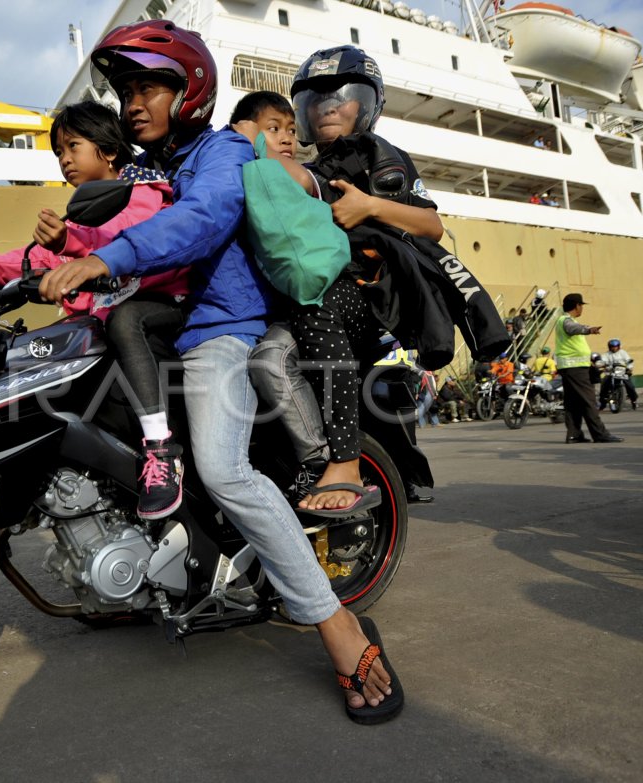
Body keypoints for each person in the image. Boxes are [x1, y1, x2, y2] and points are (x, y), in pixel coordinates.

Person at [40, 20, 402, 723]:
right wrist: (42, 259)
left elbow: (202, 223)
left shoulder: (222, 151)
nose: (132, 103)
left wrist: (106, 261)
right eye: (126, 90)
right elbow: (119, 227)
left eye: (148, 87)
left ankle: (336, 623)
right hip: (165, 326)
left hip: (220, 330)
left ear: (191, 89)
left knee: (225, 468)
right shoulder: (158, 165)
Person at [0, 101, 188, 519]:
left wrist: (69, 243)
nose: (65, 159)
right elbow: (34, 259)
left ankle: (160, 450)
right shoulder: (82, 219)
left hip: (163, 313)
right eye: (59, 152)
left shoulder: (142, 190)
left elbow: (122, 235)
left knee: (125, 322)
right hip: (118, 329)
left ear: (108, 151)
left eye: (73, 146)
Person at [283, 44, 445, 515]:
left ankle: (368, 469)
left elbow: (432, 226)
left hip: (374, 298)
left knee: (384, 400)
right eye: (315, 100)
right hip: (323, 286)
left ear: (368, 104)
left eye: (341, 97)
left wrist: (370, 206)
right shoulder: (306, 172)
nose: (327, 107)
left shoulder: (386, 159)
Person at [227, 90, 332, 499]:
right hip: (277, 306)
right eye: (274, 130)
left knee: (271, 361)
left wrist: (257, 147)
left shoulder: (296, 175)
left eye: (290, 130)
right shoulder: (248, 174)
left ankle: (316, 457)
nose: (288, 138)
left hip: (314, 302)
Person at [552, 293, 621, 443]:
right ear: (577, 306)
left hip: (570, 367)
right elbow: (573, 328)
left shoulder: (563, 320)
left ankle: (574, 435)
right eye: (581, 305)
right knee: (589, 401)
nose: (582, 308)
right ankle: (600, 434)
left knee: (573, 402)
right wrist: (589, 329)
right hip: (575, 368)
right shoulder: (566, 321)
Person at [598, 338, 638, 410]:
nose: (614, 348)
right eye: (612, 347)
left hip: (622, 373)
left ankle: (634, 401)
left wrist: (629, 368)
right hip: (610, 373)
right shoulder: (606, 354)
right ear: (609, 347)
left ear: (618, 346)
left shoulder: (623, 353)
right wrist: (602, 365)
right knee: (603, 386)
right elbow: (602, 361)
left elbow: (629, 361)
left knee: (631, 387)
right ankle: (603, 403)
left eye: (616, 346)